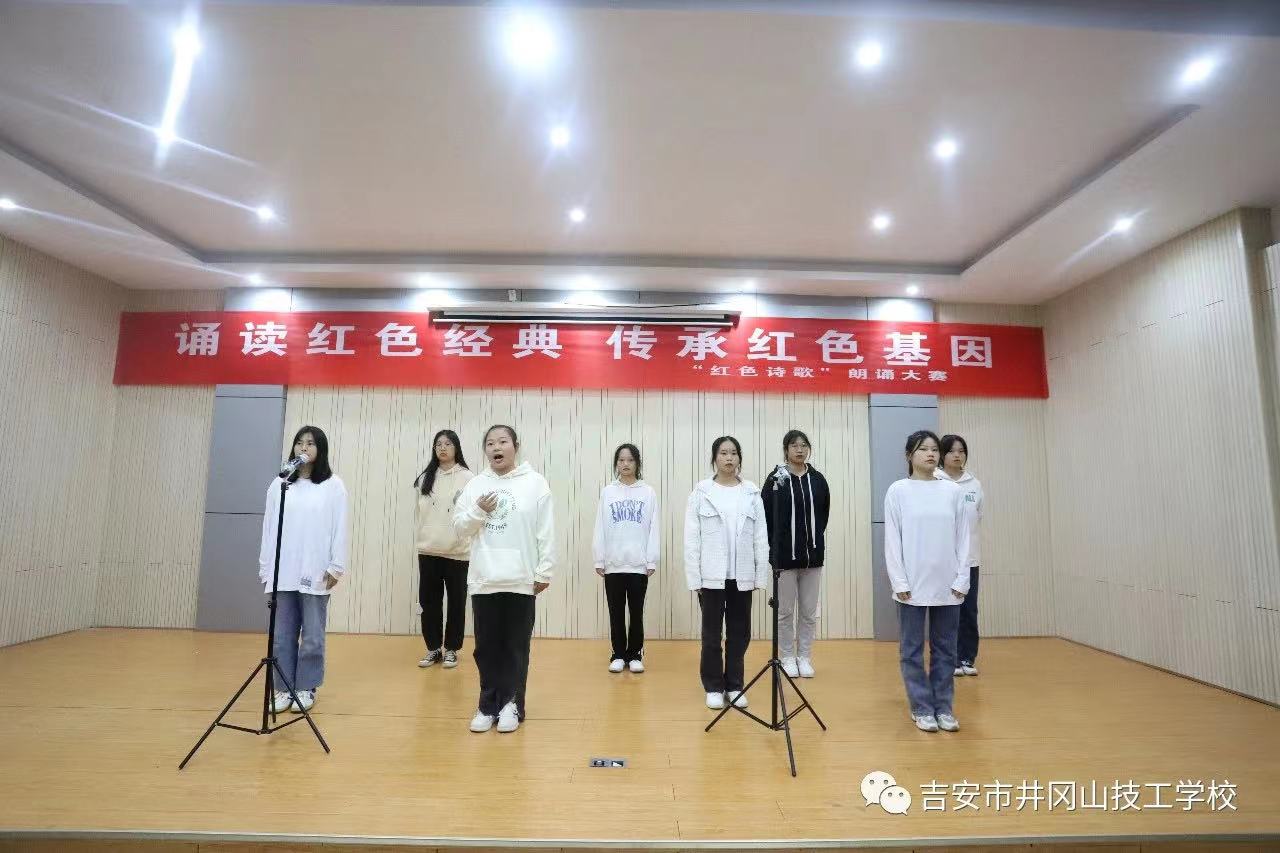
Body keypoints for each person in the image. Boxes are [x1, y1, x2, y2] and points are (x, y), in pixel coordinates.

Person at [453, 425, 554, 734]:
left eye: (502, 442)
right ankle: (487, 705)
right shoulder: (475, 485)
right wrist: (478, 511)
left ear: (515, 446)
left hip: (521, 579)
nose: (496, 447)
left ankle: (511, 704)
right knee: (486, 648)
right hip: (484, 578)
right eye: (490, 443)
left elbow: (545, 531)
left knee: (515, 647)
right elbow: (459, 528)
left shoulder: (535, 483)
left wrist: (545, 570)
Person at [258, 425, 349, 715]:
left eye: (310, 443)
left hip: (316, 570)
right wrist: (266, 567)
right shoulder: (280, 484)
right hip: (283, 571)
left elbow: (340, 527)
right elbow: (269, 527)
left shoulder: (333, 485)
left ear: (320, 449)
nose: (304, 448)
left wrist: (336, 566)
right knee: (282, 635)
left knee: (312, 636)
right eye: (299, 443)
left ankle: (306, 687)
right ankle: (283, 688)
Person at [884, 429, 970, 733]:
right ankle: (921, 707)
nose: (931, 454)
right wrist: (899, 581)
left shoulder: (952, 492)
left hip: (948, 584)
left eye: (934, 449)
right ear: (909, 455)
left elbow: (964, 538)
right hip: (911, 585)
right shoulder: (898, 491)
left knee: (946, 649)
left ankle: (943, 707)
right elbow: (892, 539)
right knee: (911, 650)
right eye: (923, 449)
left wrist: (962, 578)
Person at [684, 436, 770, 711]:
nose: (729, 458)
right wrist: (694, 578)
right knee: (711, 635)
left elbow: (761, 537)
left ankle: (734, 685)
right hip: (711, 576)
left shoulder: (751, 493)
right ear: (715, 458)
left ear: (739, 458)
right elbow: (692, 539)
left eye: (733, 453)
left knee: (740, 633)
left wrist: (759, 575)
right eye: (723, 453)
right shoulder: (701, 492)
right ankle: (713, 686)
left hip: (741, 575)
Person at [761, 429, 830, 679]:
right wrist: (774, 549)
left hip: (812, 557)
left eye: (803, 445)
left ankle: (804, 657)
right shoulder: (775, 480)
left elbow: (823, 515)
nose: (799, 449)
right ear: (786, 450)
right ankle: (788, 656)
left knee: (809, 611)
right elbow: (766, 517)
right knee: (785, 612)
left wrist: (813, 541)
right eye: (794, 445)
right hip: (783, 558)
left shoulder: (818, 480)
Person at [593, 443, 660, 673]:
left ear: (637, 463)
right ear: (616, 464)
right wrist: (599, 558)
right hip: (613, 563)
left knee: (636, 612)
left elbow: (654, 527)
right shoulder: (608, 492)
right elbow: (600, 526)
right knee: (616, 612)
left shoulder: (648, 492)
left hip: (638, 565)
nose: (625, 464)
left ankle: (635, 655)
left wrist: (651, 559)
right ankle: (618, 654)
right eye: (621, 460)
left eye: (630, 460)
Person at [413, 429, 475, 669]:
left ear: (456, 447)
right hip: (428, 550)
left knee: (457, 603)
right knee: (429, 603)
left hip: (458, 552)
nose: (442, 448)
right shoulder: (425, 478)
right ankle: (433, 648)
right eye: (438, 444)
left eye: (448, 443)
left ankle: (451, 649)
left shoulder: (468, 478)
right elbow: (419, 515)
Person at [936, 434, 984, 677]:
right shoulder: (935, 481)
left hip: (970, 559)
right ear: (942, 455)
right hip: (944, 560)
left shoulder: (974, 484)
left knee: (968, 610)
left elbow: (977, 516)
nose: (957, 455)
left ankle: (967, 657)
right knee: (947, 611)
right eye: (952, 451)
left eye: (961, 451)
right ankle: (950, 658)